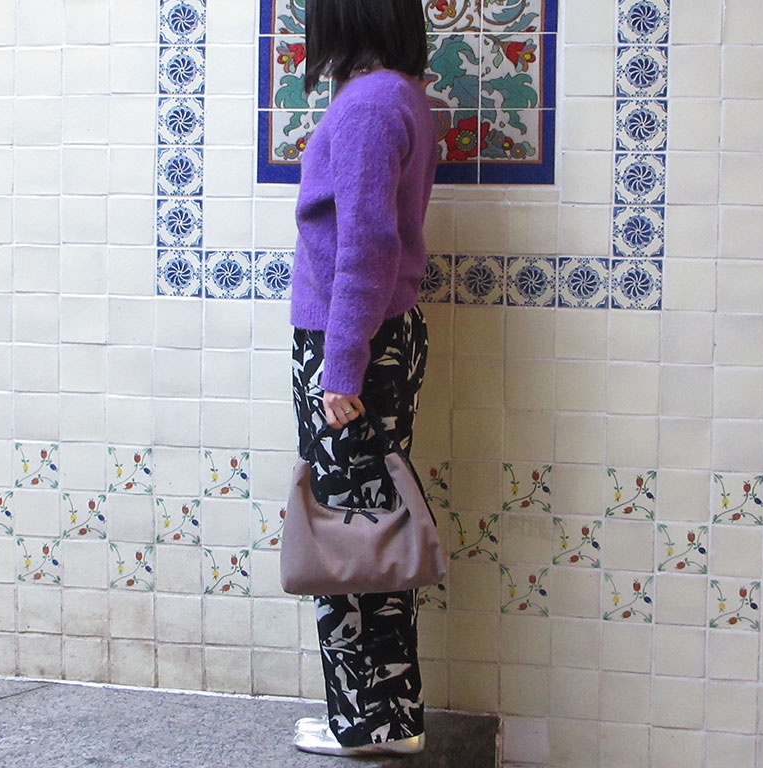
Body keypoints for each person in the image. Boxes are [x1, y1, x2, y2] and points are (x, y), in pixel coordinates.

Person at [287, 0, 438, 758]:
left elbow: (367, 243)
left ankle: (370, 723)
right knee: (369, 527)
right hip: (373, 339)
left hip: (352, 347)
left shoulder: (372, 104)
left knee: (351, 535)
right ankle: (385, 717)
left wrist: (341, 365)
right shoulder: (395, 95)